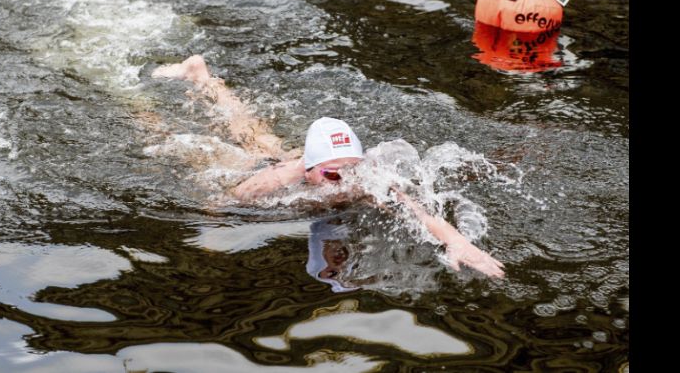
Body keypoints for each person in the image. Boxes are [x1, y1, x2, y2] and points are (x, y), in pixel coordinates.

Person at [152, 55, 505, 278]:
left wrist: (457, 243)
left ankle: (200, 74)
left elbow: (421, 215)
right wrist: (213, 227)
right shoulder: (284, 179)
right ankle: (172, 93)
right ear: (310, 171)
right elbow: (230, 198)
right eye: (333, 173)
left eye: (353, 169)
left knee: (253, 130)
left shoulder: (365, 181)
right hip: (268, 166)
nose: (344, 182)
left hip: (297, 159)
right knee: (191, 146)